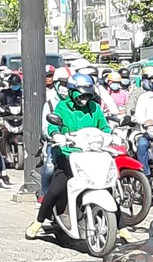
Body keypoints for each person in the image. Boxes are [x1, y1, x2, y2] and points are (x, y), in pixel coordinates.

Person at [25, 74, 133, 242]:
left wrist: (109, 135)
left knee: (106, 187)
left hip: (93, 155)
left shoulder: (95, 108)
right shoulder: (62, 107)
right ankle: (38, 222)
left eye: (87, 95)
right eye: (81, 95)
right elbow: (53, 125)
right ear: (72, 92)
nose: (84, 99)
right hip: (69, 155)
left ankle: (122, 227)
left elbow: (103, 125)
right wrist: (56, 135)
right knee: (55, 190)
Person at [40, 66, 72, 202]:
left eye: (68, 84)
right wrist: (54, 135)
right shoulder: (50, 103)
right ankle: (44, 194)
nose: (66, 88)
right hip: (56, 144)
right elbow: (46, 127)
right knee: (49, 166)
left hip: (77, 145)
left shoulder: (76, 103)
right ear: (57, 83)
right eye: (63, 84)